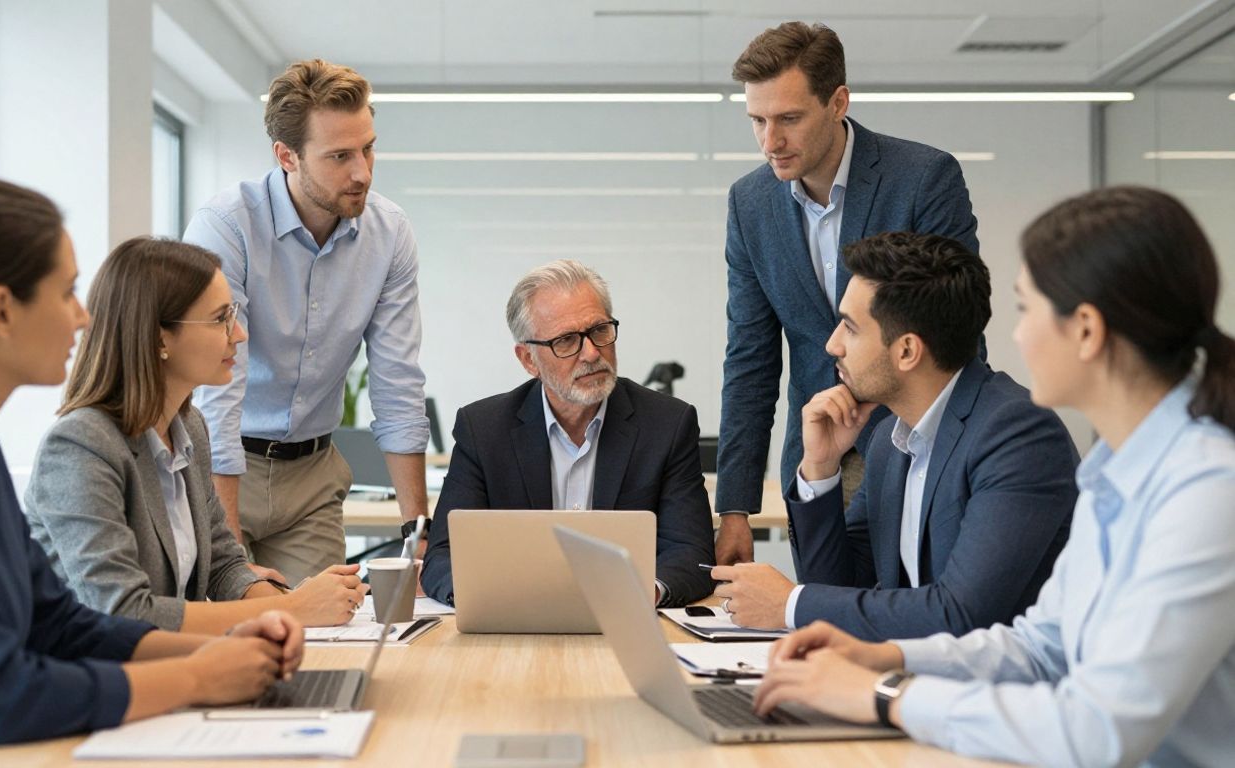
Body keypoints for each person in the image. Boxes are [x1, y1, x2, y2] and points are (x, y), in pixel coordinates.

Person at [751, 186, 1235, 767]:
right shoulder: (1117, 474)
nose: (1015, 335)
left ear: (1085, 330)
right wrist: (886, 658)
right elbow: (1039, 647)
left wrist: (883, 695)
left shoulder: (1206, 491)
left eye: (1027, 309)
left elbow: (1098, 731)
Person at [0, 180, 305, 766]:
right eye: (68, 292)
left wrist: (224, 648)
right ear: (0, 311)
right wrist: (197, 676)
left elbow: (61, 625)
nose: (83, 317)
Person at [714, 232, 1077, 640]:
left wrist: (791, 604)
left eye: (849, 328)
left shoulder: (1016, 436)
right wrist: (820, 467)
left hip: (999, 694)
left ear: (906, 351)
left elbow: (962, 614)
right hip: (905, 681)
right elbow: (840, 590)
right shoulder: (891, 440)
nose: (832, 345)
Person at [715, 22, 979, 566]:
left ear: (838, 102)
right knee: (822, 613)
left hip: (917, 444)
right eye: (757, 121)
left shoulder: (922, 178)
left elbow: (956, 327)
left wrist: (953, 453)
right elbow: (751, 358)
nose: (770, 142)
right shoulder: (750, 204)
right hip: (818, 456)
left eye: (788, 118)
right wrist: (734, 508)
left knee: (915, 616)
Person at [24, 237, 368, 634]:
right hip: (101, 684)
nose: (238, 334)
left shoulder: (190, 429)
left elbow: (223, 566)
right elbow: (123, 612)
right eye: (220, 318)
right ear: (158, 338)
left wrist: (291, 603)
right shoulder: (80, 447)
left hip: (172, 670)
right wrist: (292, 609)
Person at [183, 59, 429, 584]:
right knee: (236, 632)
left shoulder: (389, 234)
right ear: (286, 156)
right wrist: (230, 563)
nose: (362, 170)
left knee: (324, 637)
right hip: (226, 469)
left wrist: (416, 527)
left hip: (313, 475)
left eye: (367, 148)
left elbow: (397, 380)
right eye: (340, 156)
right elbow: (217, 391)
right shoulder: (226, 227)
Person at [421, 260, 715, 607]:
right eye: (566, 341)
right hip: (515, 622)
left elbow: (691, 551)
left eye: (600, 331)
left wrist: (643, 592)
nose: (591, 353)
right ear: (529, 359)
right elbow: (442, 555)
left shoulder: (667, 424)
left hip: (626, 622)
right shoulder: (484, 429)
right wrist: (493, 597)